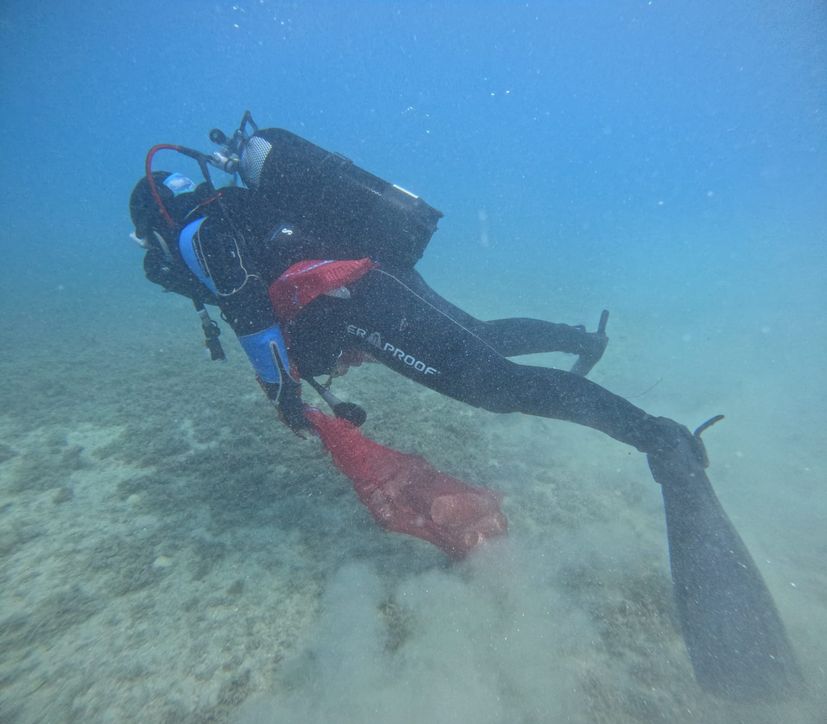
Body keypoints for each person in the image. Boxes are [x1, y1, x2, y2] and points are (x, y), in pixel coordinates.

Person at [128, 120, 801, 701]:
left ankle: (660, 439)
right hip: (368, 284)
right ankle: (580, 337)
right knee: (478, 343)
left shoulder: (198, 236)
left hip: (360, 298)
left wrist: (285, 397)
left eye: (145, 248)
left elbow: (253, 323)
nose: (154, 264)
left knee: (491, 385)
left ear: (154, 223)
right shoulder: (228, 213)